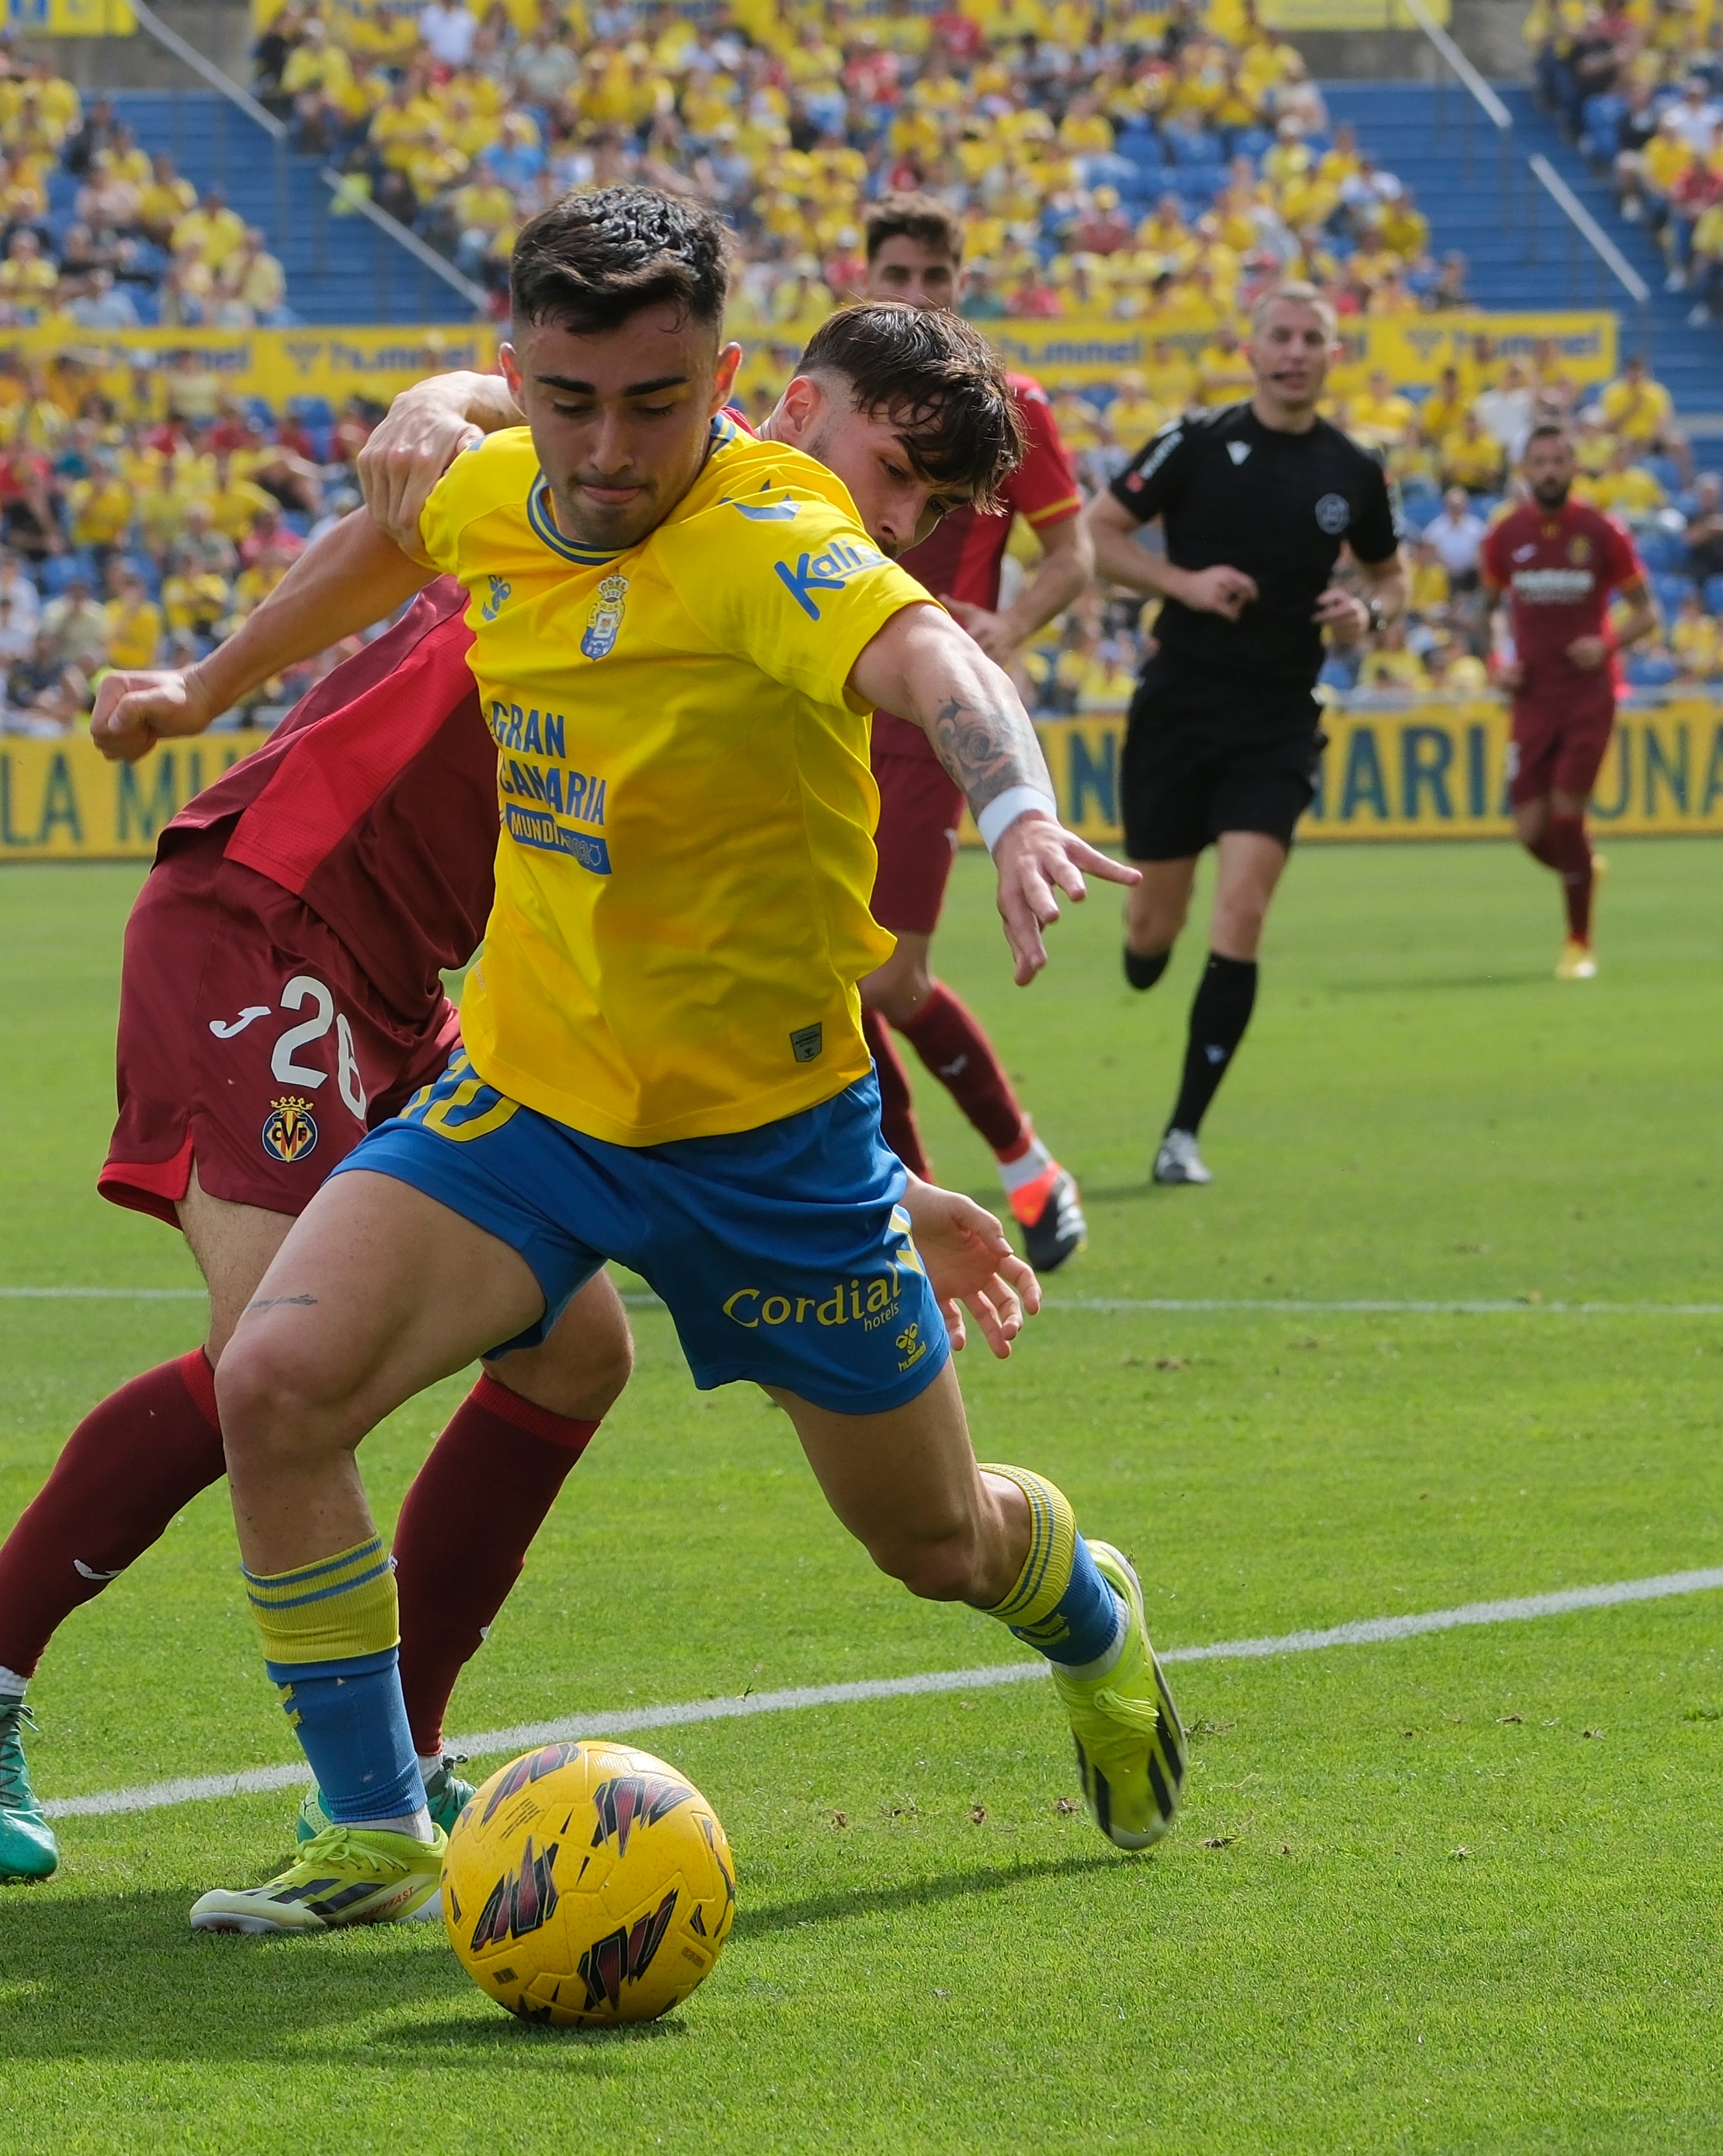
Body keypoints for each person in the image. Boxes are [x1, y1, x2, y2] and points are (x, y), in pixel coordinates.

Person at [0, 297, 1050, 1890]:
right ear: (778, 403)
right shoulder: (613, 479)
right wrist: (219, 672)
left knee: (574, 1349)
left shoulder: (767, 582)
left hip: (431, 990)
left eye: (929, 510)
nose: (895, 520)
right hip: (276, 915)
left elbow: (676, 970)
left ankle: (398, 1755)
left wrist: (880, 1188)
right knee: (277, 1366)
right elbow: (443, 441)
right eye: (887, 470)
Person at [136, 194, 1167, 1938]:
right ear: (528, 373)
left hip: (769, 1148)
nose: (609, 450)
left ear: (730, 385)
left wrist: (1013, 803)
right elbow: (400, 532)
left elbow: (925, 655)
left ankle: (1089, 1614)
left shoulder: (776, 531)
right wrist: (204, 676)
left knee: (933, 1544)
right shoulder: (505, 483)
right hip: (524, 1104)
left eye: (655, 402)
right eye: (567, 399)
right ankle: (374, 1816)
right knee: (278, 1386)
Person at [1084, 283, 1403, 1186]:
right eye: (1281, 335)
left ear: (1332, 355)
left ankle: (1181, 1134)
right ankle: (1145, 948)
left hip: (1278, 717)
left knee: (1243, 910)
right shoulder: (1194, 440)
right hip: (1179, 706)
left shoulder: (1354, 468)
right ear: (1252, 348)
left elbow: (1392, 580)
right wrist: (1183, 584)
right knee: (1154, 929)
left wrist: (1364, 614)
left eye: (1312, 337)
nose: (1295, 351)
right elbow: (1098, 534)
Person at [848, 192, 1096, 1269]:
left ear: (959, 284)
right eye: (894, 276)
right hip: (814, 708)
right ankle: (898, 1208)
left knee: (881, 982)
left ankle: (1014, 1163)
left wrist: (1008, 624)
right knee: (827, 974)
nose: (914, 296)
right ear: (861, 279)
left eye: (932, 279)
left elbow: (1071, 556)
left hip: (920, 723)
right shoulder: (833, 400)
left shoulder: (1009, 405)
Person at [1479, 424, 1657, 981]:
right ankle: (1583, 869)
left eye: (1558, 460)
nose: (1549, 470)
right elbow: (1482, 611)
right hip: (1531, 697)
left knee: (1564, 815)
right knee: (1530, 830)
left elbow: (1646, 613)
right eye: (1539, 462)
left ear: (1574, 468)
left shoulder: (1601, 532)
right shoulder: (1504, 537)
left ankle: (1578, 944)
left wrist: (1606, 645)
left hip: (1587, 696)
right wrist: (1494, 662)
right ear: (1525, 471)